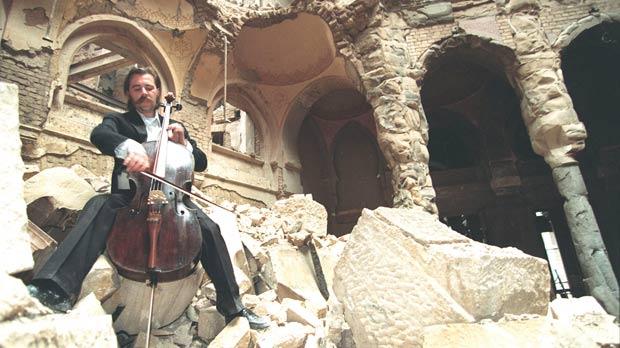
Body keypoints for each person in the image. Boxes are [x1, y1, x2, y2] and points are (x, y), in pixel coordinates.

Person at [27, 66, 270, 330]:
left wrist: (185, 145)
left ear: (158, 92)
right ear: (129, 94)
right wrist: (128, 146)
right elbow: (99, 135)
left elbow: (200, 163)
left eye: (148, 87)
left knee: (210, 228)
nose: (143, 93)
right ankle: (54, 288)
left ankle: (233, 307)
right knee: (99, 205)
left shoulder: (176, 127)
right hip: (131, 194)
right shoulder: (119, 122)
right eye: (136, 88)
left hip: (173, 199)